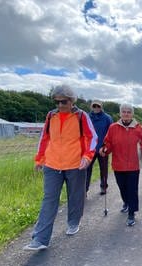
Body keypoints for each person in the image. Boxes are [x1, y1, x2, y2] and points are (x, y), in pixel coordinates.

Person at [24, 85, 97, 251]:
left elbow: (92, 137)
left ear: (71, 101)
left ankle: (73, 222)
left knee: (75, 196)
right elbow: (44, 138)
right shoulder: (51, 116)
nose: (60, 105)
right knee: (49, 199)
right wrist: (39, 158)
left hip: (75, 164)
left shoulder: (81, 116)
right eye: (56, 102)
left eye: (63, 101)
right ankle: (40, 239)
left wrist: (87, 156)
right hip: (52, 163)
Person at [100, 103, 142, 226]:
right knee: (122, 187)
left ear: (132, 114)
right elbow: (108, 142)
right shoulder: (113, 128)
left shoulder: (138, 128)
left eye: (128, 112)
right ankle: (126, 202)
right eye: (124, 112)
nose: (126, 114)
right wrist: (105, 149)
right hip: (118, 163)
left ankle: (132, 213)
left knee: (132, 189)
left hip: (133, 164)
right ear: (120, 113)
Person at [86, 100, 113, 195]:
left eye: (98, 106)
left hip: (103, 147)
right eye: (94, 106)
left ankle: (103, 186)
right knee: (87, 169)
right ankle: (85, 189)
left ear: (101, 107)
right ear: (91, 107)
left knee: (104, 169)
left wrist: (107, 145)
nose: (96, 108)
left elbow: (111, 133)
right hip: (90, 148)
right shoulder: (87, 117)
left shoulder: (107, 118)